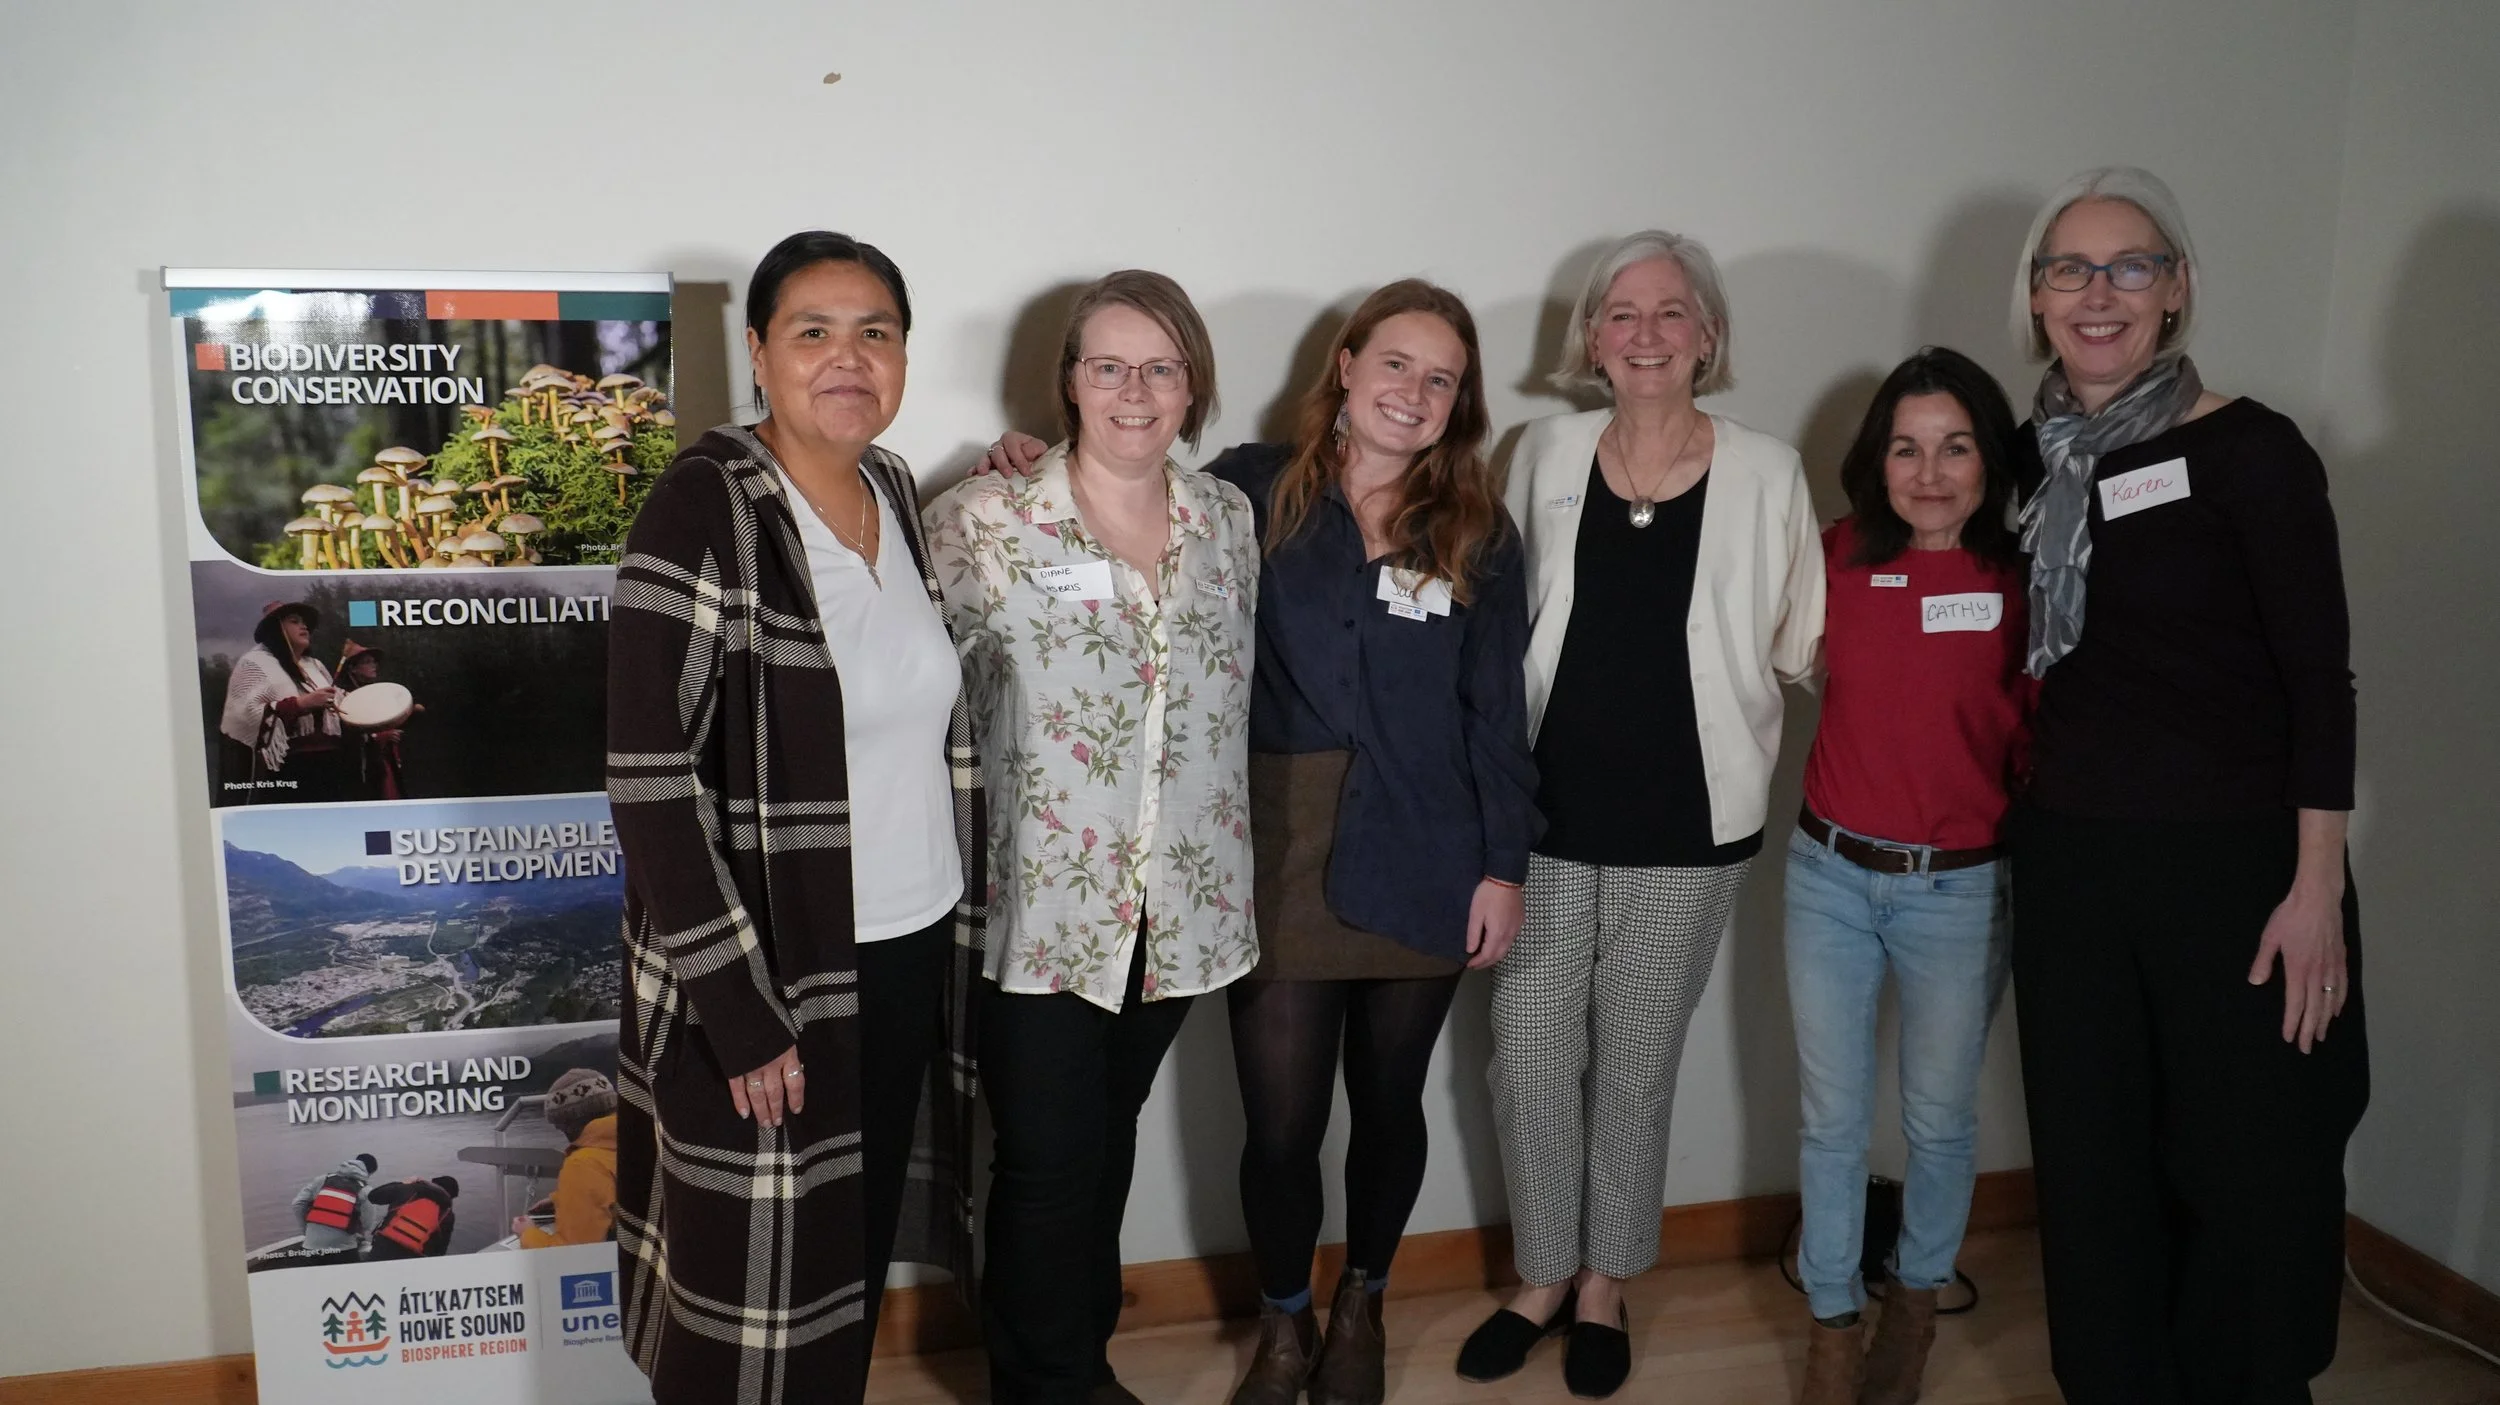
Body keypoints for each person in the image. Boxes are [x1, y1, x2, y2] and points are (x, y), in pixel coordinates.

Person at [987, 280, 1541, 1405]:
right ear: (1345, 366)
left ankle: (1364, 1308)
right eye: (1395, 364)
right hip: (1274, 849)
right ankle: (1282, 1323)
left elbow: (1498, 711)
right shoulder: (1248, 490)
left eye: (1441, 379)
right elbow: (1123, 484)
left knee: (1389, 1109)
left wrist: (1503, 866)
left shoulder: (1477, 528)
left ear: (1459, 403)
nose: (1413, 392)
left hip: (1429, 849)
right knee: (1281, 1125)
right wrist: (1028, 459)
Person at [2002, 167, 2367, 1405]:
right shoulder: (2034, 461)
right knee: (2096, 1166)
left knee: (2248, 1164)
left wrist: (2315, 885)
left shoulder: (2250, 451)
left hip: (2235, 871)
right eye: (2069, 269)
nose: (2096, 294)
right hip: (2072, 869)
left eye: (2129, 266)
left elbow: (2321, 683)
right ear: (2037, 298)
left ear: (2177, 290)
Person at [607, 231, 985, 1405]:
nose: (847, 357)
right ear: (759, 353)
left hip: (909, 941)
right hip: (776, 964)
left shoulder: (893, 487)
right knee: (747, 1284)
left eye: (875, 331)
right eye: (812, 331)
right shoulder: (702, 505)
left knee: (844, 1261)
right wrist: (739, 1008)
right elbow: (649, 775)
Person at [1464, 230, 1823, 1399]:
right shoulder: (1544, 449)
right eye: (1623, 313)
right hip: (1544, 817)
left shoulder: (1767, 468)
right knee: (1527, 1056)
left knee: (1633, 1064)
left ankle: (1606, 1281)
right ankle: (1541, 1274)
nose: (1648, 332)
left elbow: (1800, 635)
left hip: (1689, 820)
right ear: (1590, 340)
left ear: (1708, 335)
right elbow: (1491, 601)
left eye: (1673, 312)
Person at [925, 270, 1258, 1405]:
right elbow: (909, 691)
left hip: (1181, 907)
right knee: (1044, 1162)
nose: (1134, 389)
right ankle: (1046, 1380)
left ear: (1192, 386)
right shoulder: (983, 521)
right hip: (1045, 906)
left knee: (1103, 1142)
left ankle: (1077, 1362)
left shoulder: (1228, 520)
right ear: (1068, 381)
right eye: (1108, 364)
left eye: (1161, 367)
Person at [1782, 348, 2031, 1404]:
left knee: (1938, 1119)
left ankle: (1914, 1308)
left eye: (1955, 446)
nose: (1929, 472)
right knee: (1831, 1120)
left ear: (1989, 458)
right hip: (1828, 877)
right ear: (1875, 460)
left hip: (1961, 891)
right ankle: (1832, 1321)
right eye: (1906, 447)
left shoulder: (2026, 579)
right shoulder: (1831, 558)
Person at [217, 600, 348, 803]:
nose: (303, 626)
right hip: (287, 768)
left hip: (331, 765)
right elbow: (244, 714)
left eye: (304, 622)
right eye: (294, 621)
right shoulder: (254, 663)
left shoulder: (315, 665)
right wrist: (301, 704)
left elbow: (337, 705)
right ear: (276, 629)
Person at [516, 1068, 619, 1248]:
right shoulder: (647, 1138)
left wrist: (527, 1233)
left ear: (569, 1123)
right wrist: (562, 1199)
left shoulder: (582, 1164)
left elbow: (573, 1254)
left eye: (558, 1125)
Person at [335, 640, 418, 800]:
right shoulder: (342, 696)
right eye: (367, 662)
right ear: (352, 668)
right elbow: (344, 733)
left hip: (382, 760)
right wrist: (378, 738)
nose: (374, 665)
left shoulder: (372, 693)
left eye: (374, 661)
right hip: (360, 765)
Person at [290, 1153, 377, 1258]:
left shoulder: (322, 1180)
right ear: (369, 1172)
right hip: (343, 1249)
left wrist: (306, 1231)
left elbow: (297, 1204)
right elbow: (367, 1224)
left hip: (310, 1246)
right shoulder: (365, 1190)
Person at [366, 1175, 459, 1259]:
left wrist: (403, 1183)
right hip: (411, 1258)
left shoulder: (409, 1189)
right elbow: (440, 1251)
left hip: (382, 1246)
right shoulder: (447, 1214)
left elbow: (373, 1196)